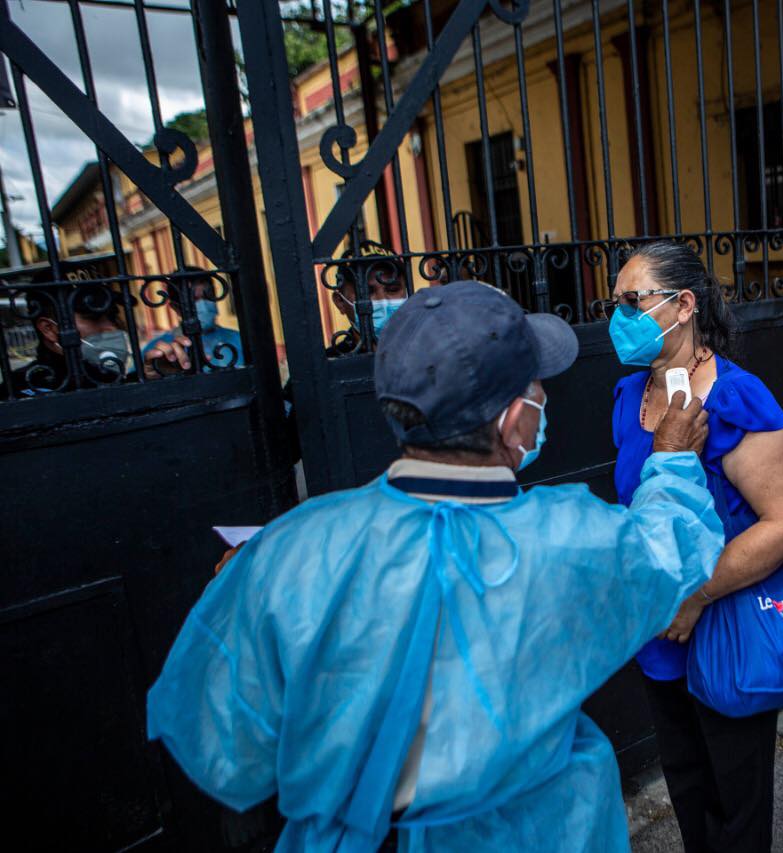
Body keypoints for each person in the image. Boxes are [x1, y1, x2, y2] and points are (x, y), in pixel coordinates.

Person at [146, 280, 726, 852]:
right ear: (510, 419)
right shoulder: (565, 538)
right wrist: (672, 461)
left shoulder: (290, 546)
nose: (543, 399)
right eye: (535, 386)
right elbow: (670, 552)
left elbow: (225, 747)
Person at [608, 241, 783, 853]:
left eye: (632, 301)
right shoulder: (628, 398)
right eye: (615, 302)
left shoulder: (736, 397)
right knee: (689, 789)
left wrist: (696, 593)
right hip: (656, 633)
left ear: (683, 305)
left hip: (724, 629)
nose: (618, 316)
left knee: (736, 804)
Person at [7, 285, 192, 397]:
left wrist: (153, 380)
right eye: (93, 317)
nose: (111, 327)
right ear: (49, 329)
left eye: (112, 315)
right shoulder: (20, 390)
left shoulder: (107, 376)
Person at [142, 272, 244, 369]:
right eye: (194, 299)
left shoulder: (239, 339)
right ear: (175, 308)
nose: (203, 304)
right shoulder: (157, 349)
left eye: (207, 296)